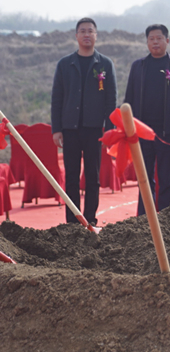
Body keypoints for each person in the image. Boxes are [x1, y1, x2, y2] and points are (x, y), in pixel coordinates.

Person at [51, 18, 117, 226]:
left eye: (90, 31)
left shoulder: (105, 64)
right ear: (76, 36)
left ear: (96, 35)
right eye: (83, 31)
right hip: (70, 129)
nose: (87, 35)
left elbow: (111, 100)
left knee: (92, 176)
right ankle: (72, 220)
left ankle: (90, 219)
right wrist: (57, 129)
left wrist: (110, 131)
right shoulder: (65, 64)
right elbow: (57, 98)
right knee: (71, 175)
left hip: (94, 129)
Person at [125, 24, 170, 215]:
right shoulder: (138, 67)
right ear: (147, 42)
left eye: (159, 38)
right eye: (151, 39)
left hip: (167, 133)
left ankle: (166, 218)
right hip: (142, 132)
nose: (155, 42)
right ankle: (144, 218)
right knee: (144, 179)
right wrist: (129, 128)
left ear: (167, 41)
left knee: (167, 178)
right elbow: (129, 98)